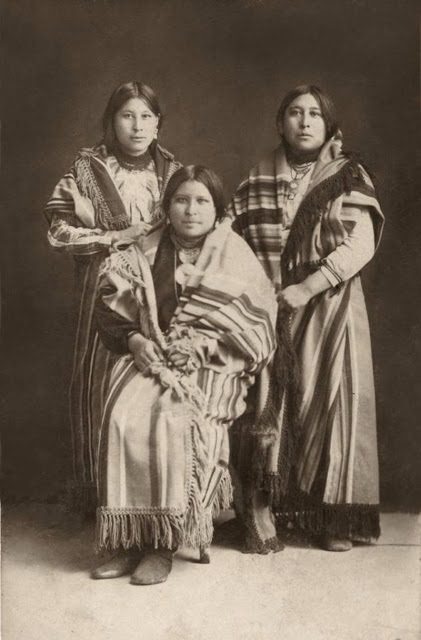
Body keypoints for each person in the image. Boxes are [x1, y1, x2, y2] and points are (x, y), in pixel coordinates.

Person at [91, 165, 278, 584]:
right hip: (153, 354)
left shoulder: (233, 252)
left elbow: (258, 325)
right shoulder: (145, 250)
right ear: (167, 206)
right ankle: (128, 540)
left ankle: (162, 543)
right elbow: (109, 307)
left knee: (173, 418)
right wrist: (137, 342)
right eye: (181, 200)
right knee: (122, 414)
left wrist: (199, 347)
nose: (190, 210)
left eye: (201, 201)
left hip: (215, 363)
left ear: (217, 209)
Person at [229, 85, 384, 552]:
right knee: (272, 405)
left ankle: (334, 518)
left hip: (330, 303)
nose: (304, 121)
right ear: (280, 123)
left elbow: (360, 244)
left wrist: (307, 287)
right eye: (294, 112)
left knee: (333, 403)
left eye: (314, 113)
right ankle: (277, 510)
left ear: (329, 125)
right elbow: (228, 236)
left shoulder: (346, 175)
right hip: (270, 307)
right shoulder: (256, 178)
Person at [44, 81, 181, 510]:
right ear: (111, 121)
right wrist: (114, 237)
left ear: (158, 124)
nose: (137, 126)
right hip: (101, 289)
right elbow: (59, 231)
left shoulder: (175, 173)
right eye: (127, 116)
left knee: (156, 385)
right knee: (99, 383)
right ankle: (104, 498)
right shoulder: (85, 171)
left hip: (161, 294)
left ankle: (155, 498)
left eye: (146, 117)